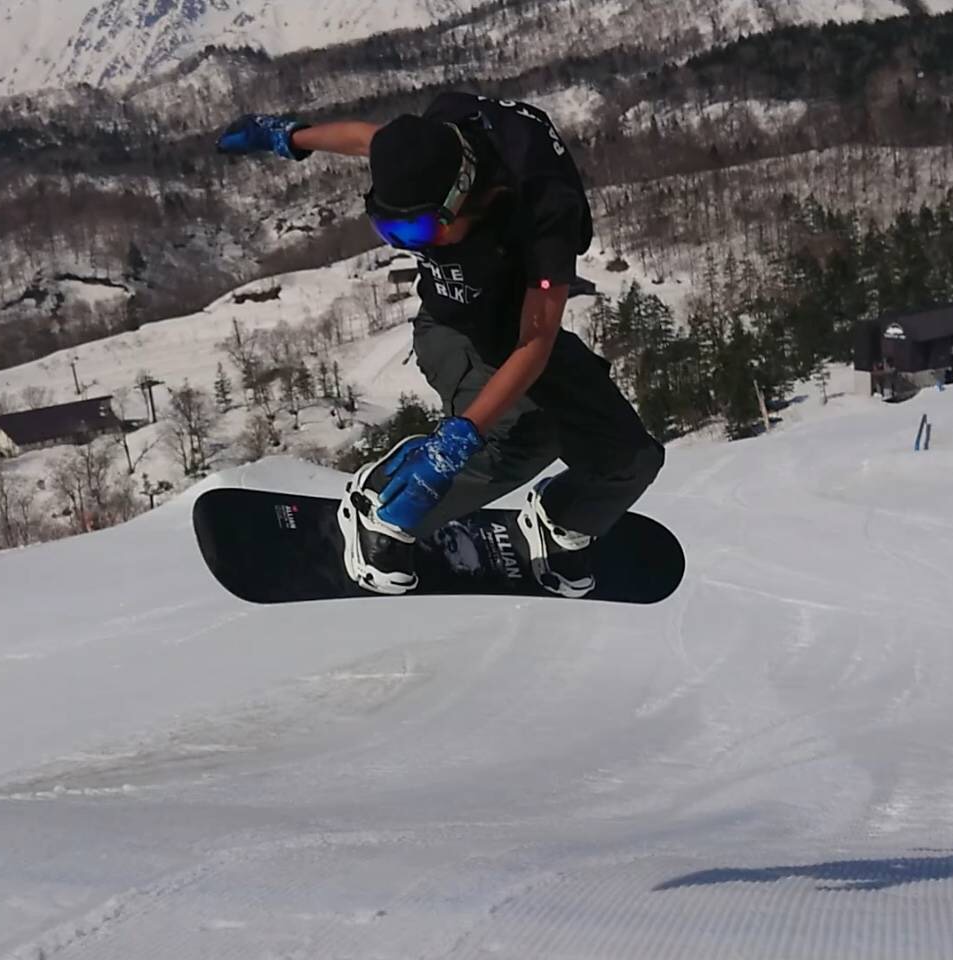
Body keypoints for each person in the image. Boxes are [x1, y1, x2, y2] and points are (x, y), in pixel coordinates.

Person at [216, 93, 663, 598]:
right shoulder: (434, 142)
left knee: (629, 459)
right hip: (452, 324)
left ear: (469, 194)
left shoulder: (544, 215)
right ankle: (380, 504)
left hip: (521, 333)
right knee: (522, 434)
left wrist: (458, 438)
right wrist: (288, 134)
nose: (413, 244)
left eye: (420, 227)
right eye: (392, 230)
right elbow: (367, 139)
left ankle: (562, 520)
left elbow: (536, 339)